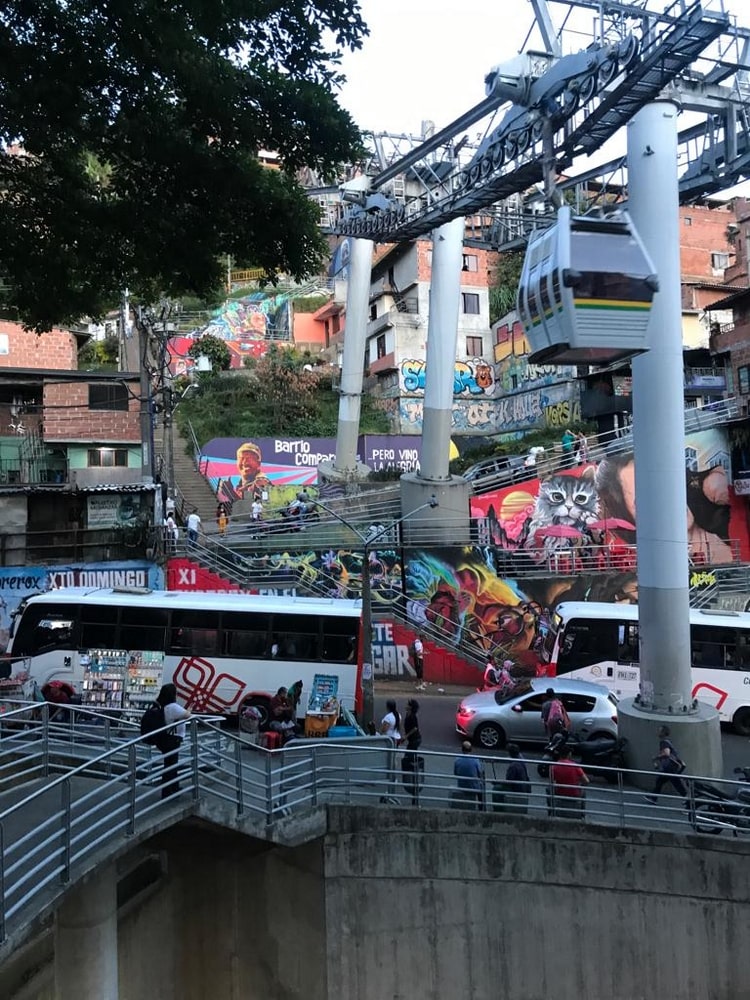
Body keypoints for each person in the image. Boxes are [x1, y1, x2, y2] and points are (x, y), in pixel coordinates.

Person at [156, 683, 191, 799]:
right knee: (171, 765)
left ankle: (173, 788)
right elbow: (187, 715)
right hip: (173, 739)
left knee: (170, 764)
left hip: (167, 738)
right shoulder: (173, 707)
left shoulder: (164, 706)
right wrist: (190, 709)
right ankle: (168, 791)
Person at [644, 725, 688, 804]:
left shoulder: (664, 742)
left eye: (659, 730)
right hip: (671, 767)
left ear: (663, 733)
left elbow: (667, 753)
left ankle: (688, 801)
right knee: (661, 781)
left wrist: (656, 758)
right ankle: (653, 797)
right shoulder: (668, 741)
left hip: (670, 767)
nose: (658, 732)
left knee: (676, 783)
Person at [549, 747, 589, 817]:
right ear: (569, 754)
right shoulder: (575, 766)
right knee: (583, 792)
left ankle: (550, 810)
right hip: (575, 793)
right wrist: (580, 785)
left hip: (560, 793)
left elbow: (551, 782)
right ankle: (582, 813)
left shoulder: (553, 767)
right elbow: (586, 781)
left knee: (548, 789)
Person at [401, 698, 423, 805]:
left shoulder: (413, 716)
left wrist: (406, 736)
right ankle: (412, 775)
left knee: (408, 757)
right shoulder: (407, 714)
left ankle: (412, 776)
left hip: (415, 740)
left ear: (411, 707)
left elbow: (414, 728)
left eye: (408, 704)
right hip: (412, 740)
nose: (406, 705)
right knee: (410, 756)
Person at [453, 741, 484, 811]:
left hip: (461, 785)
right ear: (471, 749)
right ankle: (481, 808)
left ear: (462, 749)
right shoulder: (475, 759)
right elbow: (479, 774)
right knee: (481, 790)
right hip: (473, 787)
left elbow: (455, 773)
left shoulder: (457, 759)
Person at [503, 743, 532, 814]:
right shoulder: (521, 758)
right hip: (524, 786)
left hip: (517, 788)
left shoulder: (513, 766)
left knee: (497, 788)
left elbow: (508, 781)